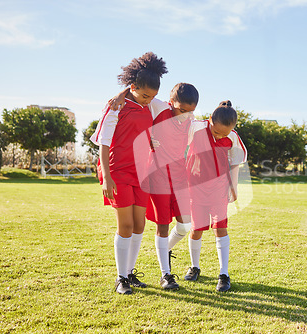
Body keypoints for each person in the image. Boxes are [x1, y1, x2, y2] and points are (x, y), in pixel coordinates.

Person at [90, 52, 167, 294]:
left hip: (141, 173)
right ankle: (120, 278)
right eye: (144, 95)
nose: (148, 100)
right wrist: (107, 177)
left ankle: (130, 274)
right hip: (117, 172)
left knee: (139, 224)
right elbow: (104, 142)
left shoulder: (150, 105)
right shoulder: (116, 106)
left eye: (152, 96)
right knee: (125, 226)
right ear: (132, 87)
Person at [110, 83, 199, 290]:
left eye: (190, 111)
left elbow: (210, 126)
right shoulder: (159, 108)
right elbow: (139, 91)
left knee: (186, 224)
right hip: (157, 175)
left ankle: (165, 249)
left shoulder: (192, 120)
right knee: (162, 225)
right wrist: (120, 93)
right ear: (171, 103)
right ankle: (165, 275)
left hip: (179, 177)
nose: (185, 115)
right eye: (182, 110)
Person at [184, 100, 247, 292]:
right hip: (195, 187)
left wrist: (233, 187)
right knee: (197, 229)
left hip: (219, 188)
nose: (220, 136)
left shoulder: (233, 138)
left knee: (220, 227)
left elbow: (235, 162)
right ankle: (195, 267)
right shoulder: (195, 128)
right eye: (216, 131)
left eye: (225, 134)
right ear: (210, 119)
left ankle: (224, 274)